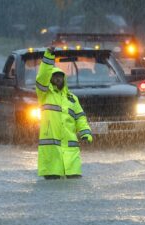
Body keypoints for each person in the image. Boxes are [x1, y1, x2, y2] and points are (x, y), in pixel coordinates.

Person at [35, 46, 93, 180]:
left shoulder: (72, 98)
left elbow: (80, 118)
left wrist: (86, 132)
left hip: (71, 155)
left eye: (60, 76)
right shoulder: (44, 95)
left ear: (64, 79)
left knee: (74, 191)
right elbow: (42, 76)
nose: (57, 79)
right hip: (51, 156)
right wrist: (49, 56)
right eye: (54, 76)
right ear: (49, 79)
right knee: (53, 191)